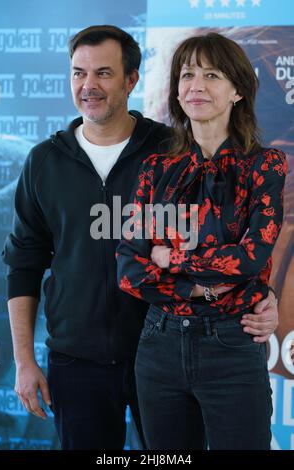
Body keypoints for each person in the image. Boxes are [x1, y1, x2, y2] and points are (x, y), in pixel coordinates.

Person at [2, 26, 278, 451]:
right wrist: (23, 360)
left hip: (162, 345)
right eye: (78, 73)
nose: (88, 85)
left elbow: (246, 252)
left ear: (132, 80)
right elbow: (29, 264)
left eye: (103, 74)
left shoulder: (174, 149)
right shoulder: (46, 161)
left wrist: (260, 293)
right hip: (80, 360)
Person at [117, 32, 287, 450]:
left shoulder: (265, 165)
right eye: (187, 74)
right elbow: (128, 267)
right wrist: (195, 284)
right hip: (158, 345)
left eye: (211, 75)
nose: (196, 85)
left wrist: (168, 257)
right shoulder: (154, 170)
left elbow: (249, 259)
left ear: (237, 91)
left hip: (232, 343)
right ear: (175, 90)